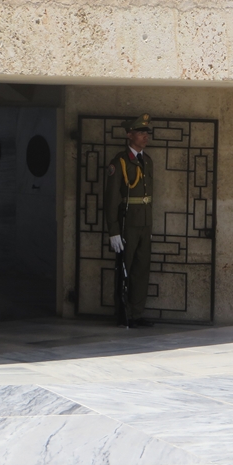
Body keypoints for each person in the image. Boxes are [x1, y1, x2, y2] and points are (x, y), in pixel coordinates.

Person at [104, 114, 155, 328]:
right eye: (140, 133)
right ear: (129, 135)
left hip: (144, 223)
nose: (145, 136)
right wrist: (113, 230)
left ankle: (137, 312)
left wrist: (149, 224)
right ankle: (122, 313)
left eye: (146, 133)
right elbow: (111, 199)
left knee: (141, 269)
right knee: (124, 269)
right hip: (127, 223)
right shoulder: (120, 162)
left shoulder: (147, 160)